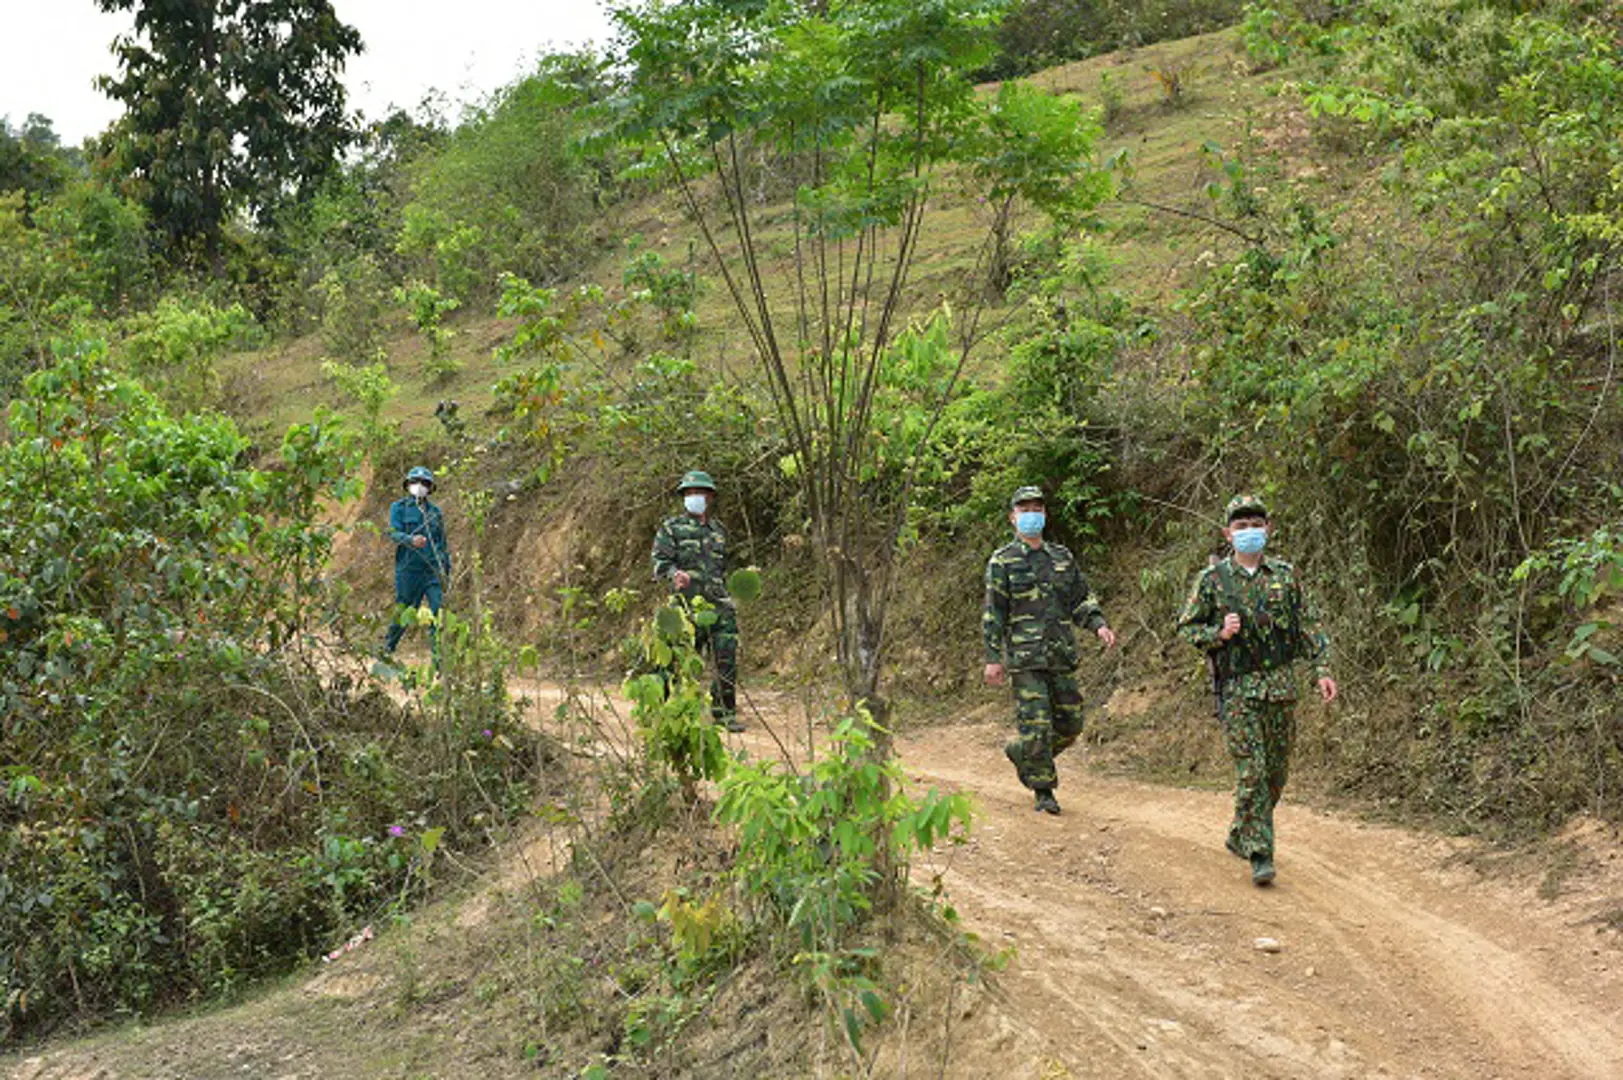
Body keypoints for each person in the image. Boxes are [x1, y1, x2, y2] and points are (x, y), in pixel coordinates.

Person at [1176, 493, 1337, 886]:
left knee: (1276, 774)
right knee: (1254, 770)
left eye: (1256, 524)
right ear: (1227, 534)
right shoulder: (1213, 581)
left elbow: (1309, 624)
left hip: (1281, 688)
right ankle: (1261, 852)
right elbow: (1187, 628)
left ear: (1269, 529)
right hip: (1238, 690)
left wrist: (1322, 668)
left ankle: (1240, 832)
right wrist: (1219, 633)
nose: (1249, 531)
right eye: (1241, 526)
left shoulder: (1285, 575)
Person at [983, 485, 1117, 815]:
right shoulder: (1003, 561)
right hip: (1025, 658)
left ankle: (1024, 753)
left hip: (1060, 654)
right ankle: (1044, 791)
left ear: (1045, 515)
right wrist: (992, 658)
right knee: (1037, 725)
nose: (1032, 515)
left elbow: (1080, 598)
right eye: (1024, 509)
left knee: (1071, 725)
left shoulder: (1062, 557)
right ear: (1012, 517)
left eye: (1037, 509)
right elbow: (994, 612)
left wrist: (1098, 624)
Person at [651, 469, 743, 732]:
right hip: (685, 607)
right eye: (689, 493)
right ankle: (668, 712)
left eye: (698, 493)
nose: (693, 498)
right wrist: (673, 573)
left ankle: (724, 714)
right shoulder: (672, 528)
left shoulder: (719, 531)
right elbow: (659, 562)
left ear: (710, 497)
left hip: (719, 606)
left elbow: (726, 567)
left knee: (726, 659)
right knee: (679, 661)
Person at [383, 465, 451, 663]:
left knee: (438, 611)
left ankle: (439, 661)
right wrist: (410, 540)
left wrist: (446, 572)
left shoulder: (435, 513)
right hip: (408, 570)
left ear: (430, 488)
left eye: (424, 483)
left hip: (432, 572)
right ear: (408, 485)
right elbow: (392, 533)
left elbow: (443, 545)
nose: (419, 486)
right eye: (415, 482)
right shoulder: (398, 508)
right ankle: (388, 648)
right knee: (403, 609)